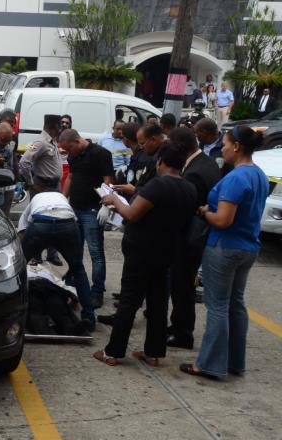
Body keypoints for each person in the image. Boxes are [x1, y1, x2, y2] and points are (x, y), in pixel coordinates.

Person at [93, 142, 198, 367]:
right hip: (168, 250)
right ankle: (154, 352)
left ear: (161, 162)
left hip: (142, 250)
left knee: (129, 301)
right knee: (158, 302)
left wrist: (113, 201)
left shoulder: (158, 185)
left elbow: (131, 214)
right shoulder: (189, 188)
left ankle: (113, 351)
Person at [181, 126, 268, 379]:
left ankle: (208, 364)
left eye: (226, 144)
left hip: (225, 246)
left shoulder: (235, 178)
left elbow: (223, 220)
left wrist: (203, 211)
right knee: (235, 304)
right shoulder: (258, 174)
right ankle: (233, 362)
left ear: (238, 147)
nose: (223, 148)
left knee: (217, 305)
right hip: (247, 247)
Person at [166, 127, 222, 349]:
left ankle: (183, 333)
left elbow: (187, 208)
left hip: (190, 239)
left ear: (180, 147)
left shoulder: (196, 172)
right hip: (194, 236)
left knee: (182, 285)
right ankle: (177, 325)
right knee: (181, 284)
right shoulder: (204, 162)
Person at [17, 184, 95, 330]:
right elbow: (73, 222)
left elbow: (21, 231)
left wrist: (20, 258)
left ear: (42, 190)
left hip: (41, 223)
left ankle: (14, 313)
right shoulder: (62, 199)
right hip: (67, 224)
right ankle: (89, 317)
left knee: (19, 269)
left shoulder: (36, 198)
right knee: (78, 269)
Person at [59, 129, 114, 308]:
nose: (68, 154)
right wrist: (62, 199)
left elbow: (108, 181)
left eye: (69, 149)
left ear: (76, 141)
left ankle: (97, 291)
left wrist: (106, 205)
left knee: (95, 252)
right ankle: (73, 278)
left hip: (92, 210)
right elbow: (71, 178)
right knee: (75, 249)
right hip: (75, 208)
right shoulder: (74, 156)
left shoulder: (100, 154)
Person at [20, 115, 65, 266]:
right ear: (54, 126)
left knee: (55, 219)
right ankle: (36, 255)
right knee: (39, 221)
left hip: (54, 186)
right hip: (42, 185)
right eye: (60, 126)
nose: (61, 129)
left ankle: (52, 254)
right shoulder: (41, 142)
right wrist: (31, 183)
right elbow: (24, 162)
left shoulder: (52, 141)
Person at [113, 123, 164, 197]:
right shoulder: (143, 154)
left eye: (142, 143)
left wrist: (135, 190)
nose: (141, 147)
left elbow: (151, 188)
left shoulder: (149, 158)